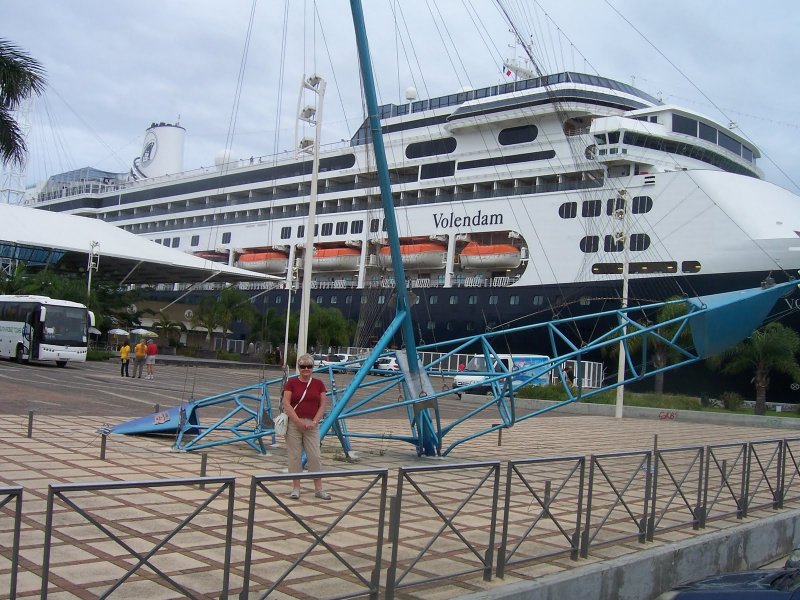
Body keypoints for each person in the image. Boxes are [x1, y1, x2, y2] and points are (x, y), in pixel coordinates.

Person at [282, 353, 330, 500]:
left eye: (309, 366)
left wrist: (315, 421)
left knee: (315, 456)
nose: (306, 369)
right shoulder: (291, 383)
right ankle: (296, 487)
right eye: (303, 366)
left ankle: (319, 488)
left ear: (313, 368)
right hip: (294, 424)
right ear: (299, 367)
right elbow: (286, 403)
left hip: (312, 424)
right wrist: (297, 421)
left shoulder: (319, 384)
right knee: (295, 456)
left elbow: (322, 404)